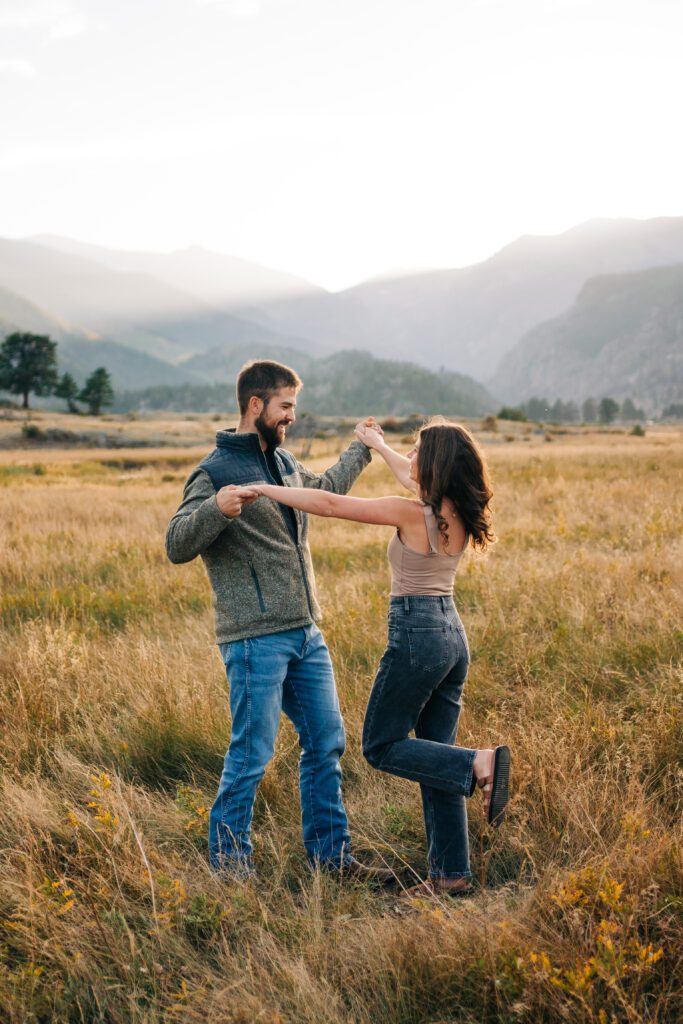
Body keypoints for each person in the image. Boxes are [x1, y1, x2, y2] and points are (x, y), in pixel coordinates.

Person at [239, 418, 510, 898]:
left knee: (380, 746)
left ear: (436, 463)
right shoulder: (455, 510)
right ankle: (451, 875)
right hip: (452, 636)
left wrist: (266, 487)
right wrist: (377, 444)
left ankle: (477, 763)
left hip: (417, 634)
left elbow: (328, 503)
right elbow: (410, 474)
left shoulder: (412, 513)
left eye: (417, 449)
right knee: (436, 760)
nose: (410, 457)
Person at [165, 360, 393, 882]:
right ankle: (230, 869)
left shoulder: (285, 463)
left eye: (293, 405)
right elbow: (176, 543)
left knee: (326, 743)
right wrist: (216, 510)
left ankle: (331, 860)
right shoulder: (214, 473)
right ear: (255, 406)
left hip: (306, 633)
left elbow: (329, 488)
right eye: (285, 406)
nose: (291, 415)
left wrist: (364, 445)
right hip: (254, 640)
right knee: (252, 754)